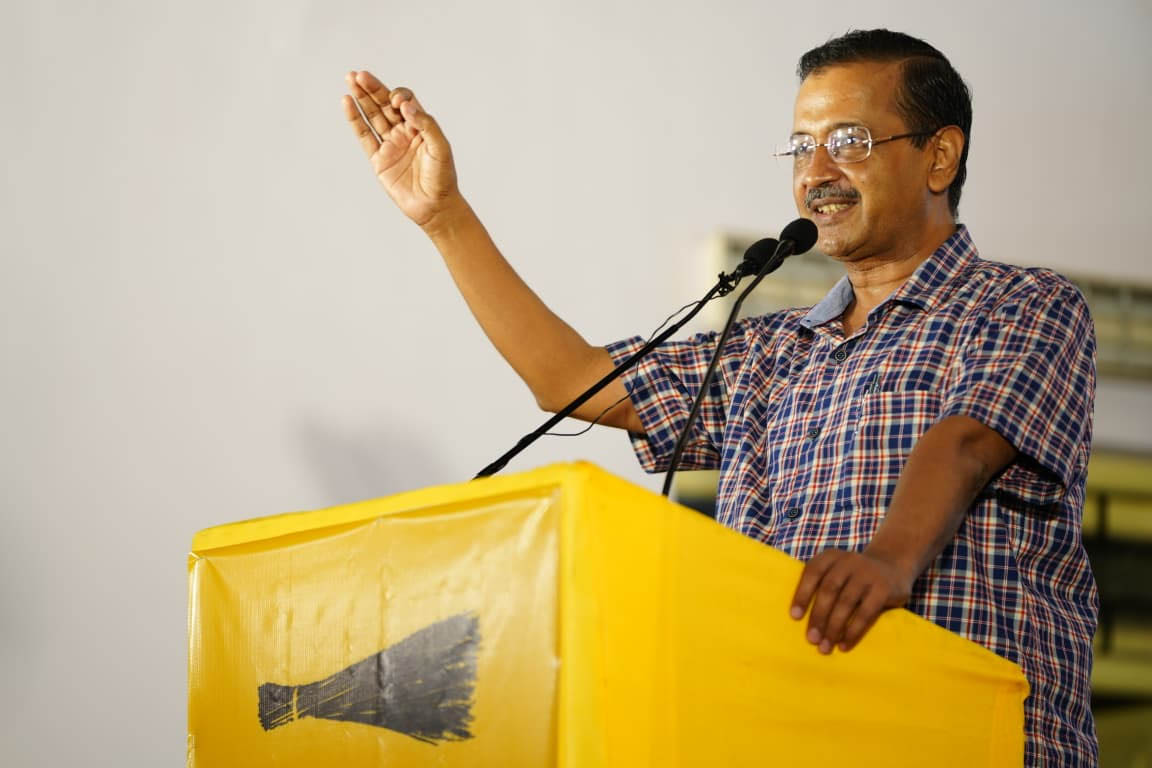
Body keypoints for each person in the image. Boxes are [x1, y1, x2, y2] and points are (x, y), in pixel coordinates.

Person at [342, 28, 1097, 766]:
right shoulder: (768, 351)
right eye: (801, 146)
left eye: (849, 141)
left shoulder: (1023, 304)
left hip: (968, 739)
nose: (816, 171)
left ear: (939, 156)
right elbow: (571, 380)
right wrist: (445, 217)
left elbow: (965, 442)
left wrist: (888, 562)